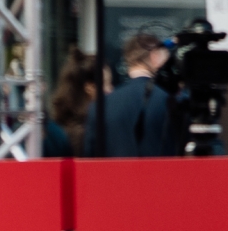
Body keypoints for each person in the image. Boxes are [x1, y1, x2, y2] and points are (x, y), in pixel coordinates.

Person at [89, 29, 178, 158]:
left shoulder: (99, 106)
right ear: (154, 57)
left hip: (113, 177)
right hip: (162, 176)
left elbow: (89, 159)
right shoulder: (172, 102)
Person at [43, 50, 102, 158]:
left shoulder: (57, 130)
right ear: (90, 88)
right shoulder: (87, 134)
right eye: (107, 84)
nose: (111, 90)